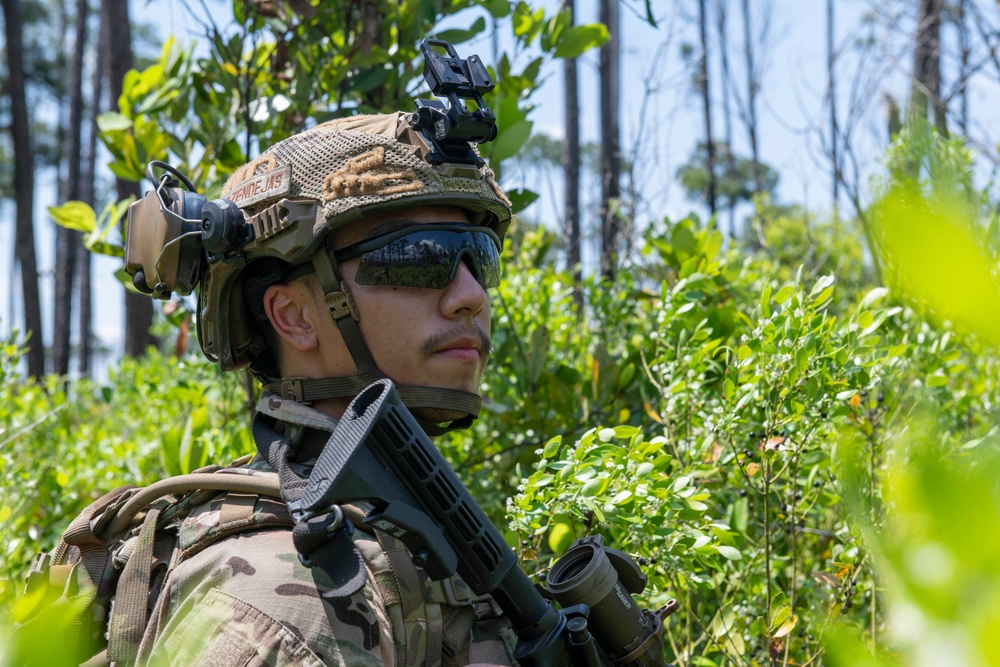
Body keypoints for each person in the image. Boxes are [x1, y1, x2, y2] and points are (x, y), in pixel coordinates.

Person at [129, 112, 518, 666]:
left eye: (478, 257)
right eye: (419, 256)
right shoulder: (286, 607)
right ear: (294, 317)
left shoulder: (410, 535)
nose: (469, 296)